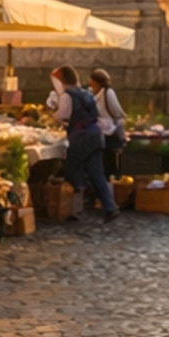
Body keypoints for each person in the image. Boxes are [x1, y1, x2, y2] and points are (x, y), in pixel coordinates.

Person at [50, 64, 118, 222]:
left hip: (80, 138)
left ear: (61, 80)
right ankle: (110, 208)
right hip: (95, 135)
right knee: (96, 174)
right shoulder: (87, 93)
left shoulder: (68, 95)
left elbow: (63, 115)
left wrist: (55, 117)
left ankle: (70, 209)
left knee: (71, 172)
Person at [90, 68, 128, 177]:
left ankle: (113, 186)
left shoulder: (107, 93)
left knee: (110, 163)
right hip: (103, 133)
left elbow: (116, 112)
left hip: (109, 133)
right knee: (106, 163)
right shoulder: (96, 94)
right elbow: (117, 112)